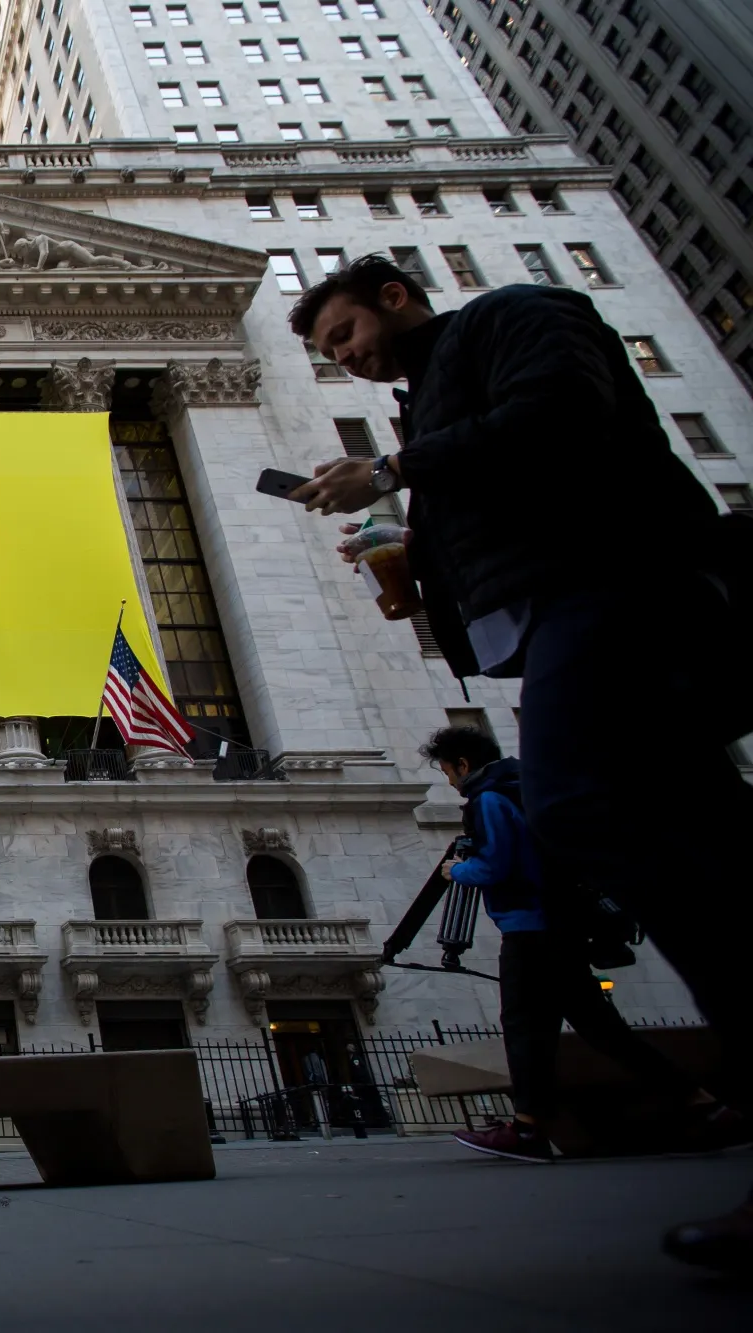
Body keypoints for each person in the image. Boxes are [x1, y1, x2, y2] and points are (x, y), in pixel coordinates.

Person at [289, 255, 752, 1267]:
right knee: (697, 827)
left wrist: (392, 473)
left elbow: (557, 418)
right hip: (572, 610)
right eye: (330, 352)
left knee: (584, 806)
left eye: (344, 336)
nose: (345, 359)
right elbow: (497, 490)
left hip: (621, 584)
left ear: (393, 296)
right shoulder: (425, 401)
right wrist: (412, 560)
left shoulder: (518, 313)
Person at [419, 727, 731, 1163]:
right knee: (598, 1028)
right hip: (561, 924)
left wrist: (457, 871)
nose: (450, 781)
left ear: (463, 764)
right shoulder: (527, 789)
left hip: (530, 929)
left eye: (448, 771)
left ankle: (528, 1129)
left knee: (525, 1027)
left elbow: (497, 866)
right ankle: (700, 1102)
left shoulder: (489, 800)